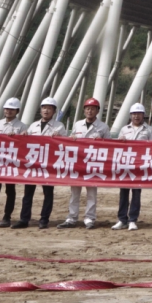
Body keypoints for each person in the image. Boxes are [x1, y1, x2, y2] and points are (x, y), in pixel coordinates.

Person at [17, 98, 66, 229]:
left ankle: (44, 219)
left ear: (54, 111)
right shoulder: (33, 126)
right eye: (44, 108)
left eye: (49, 108)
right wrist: (24, 134)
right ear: (40, 110)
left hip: (48, 165)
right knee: (28, 193)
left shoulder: (59, 127)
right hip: (33, 164)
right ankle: (24, 219)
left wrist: (60, 137)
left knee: (48, 193)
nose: (46, 110)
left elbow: (65, 145)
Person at [60, 98, 107, 229]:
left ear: (97, 111)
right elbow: (70, 141)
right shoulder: (77, 124)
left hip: (93, 164)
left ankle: (90, 218)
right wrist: (72, 138)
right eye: (87, 108)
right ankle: (71, 218)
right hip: (78, 164)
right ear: (84, 110)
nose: (89, 111)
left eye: (92, 109)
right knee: (74, 193)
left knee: (91, 193)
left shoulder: (103, 127)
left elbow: (109, 146)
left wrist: (102, 141)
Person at [0, 98, 27, 227]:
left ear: (17, 111)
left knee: (10, 190)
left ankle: (7, 217)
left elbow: (24, 143)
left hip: (12, 163)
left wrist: (20, 136)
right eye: (7, 109)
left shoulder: (21, 126)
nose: (9, 111)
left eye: (12, 109)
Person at [113, 102, 152, 230]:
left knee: (136, 193)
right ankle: (122, 219)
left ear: (143, 115)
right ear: (130, 115)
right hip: (125, 165)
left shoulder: (149, 130)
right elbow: (118, 147)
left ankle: (132, 220)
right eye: (134, 114)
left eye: (139, 114)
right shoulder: (124, 129)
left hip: (139, 166)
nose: (136, 116)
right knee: (123, 193)